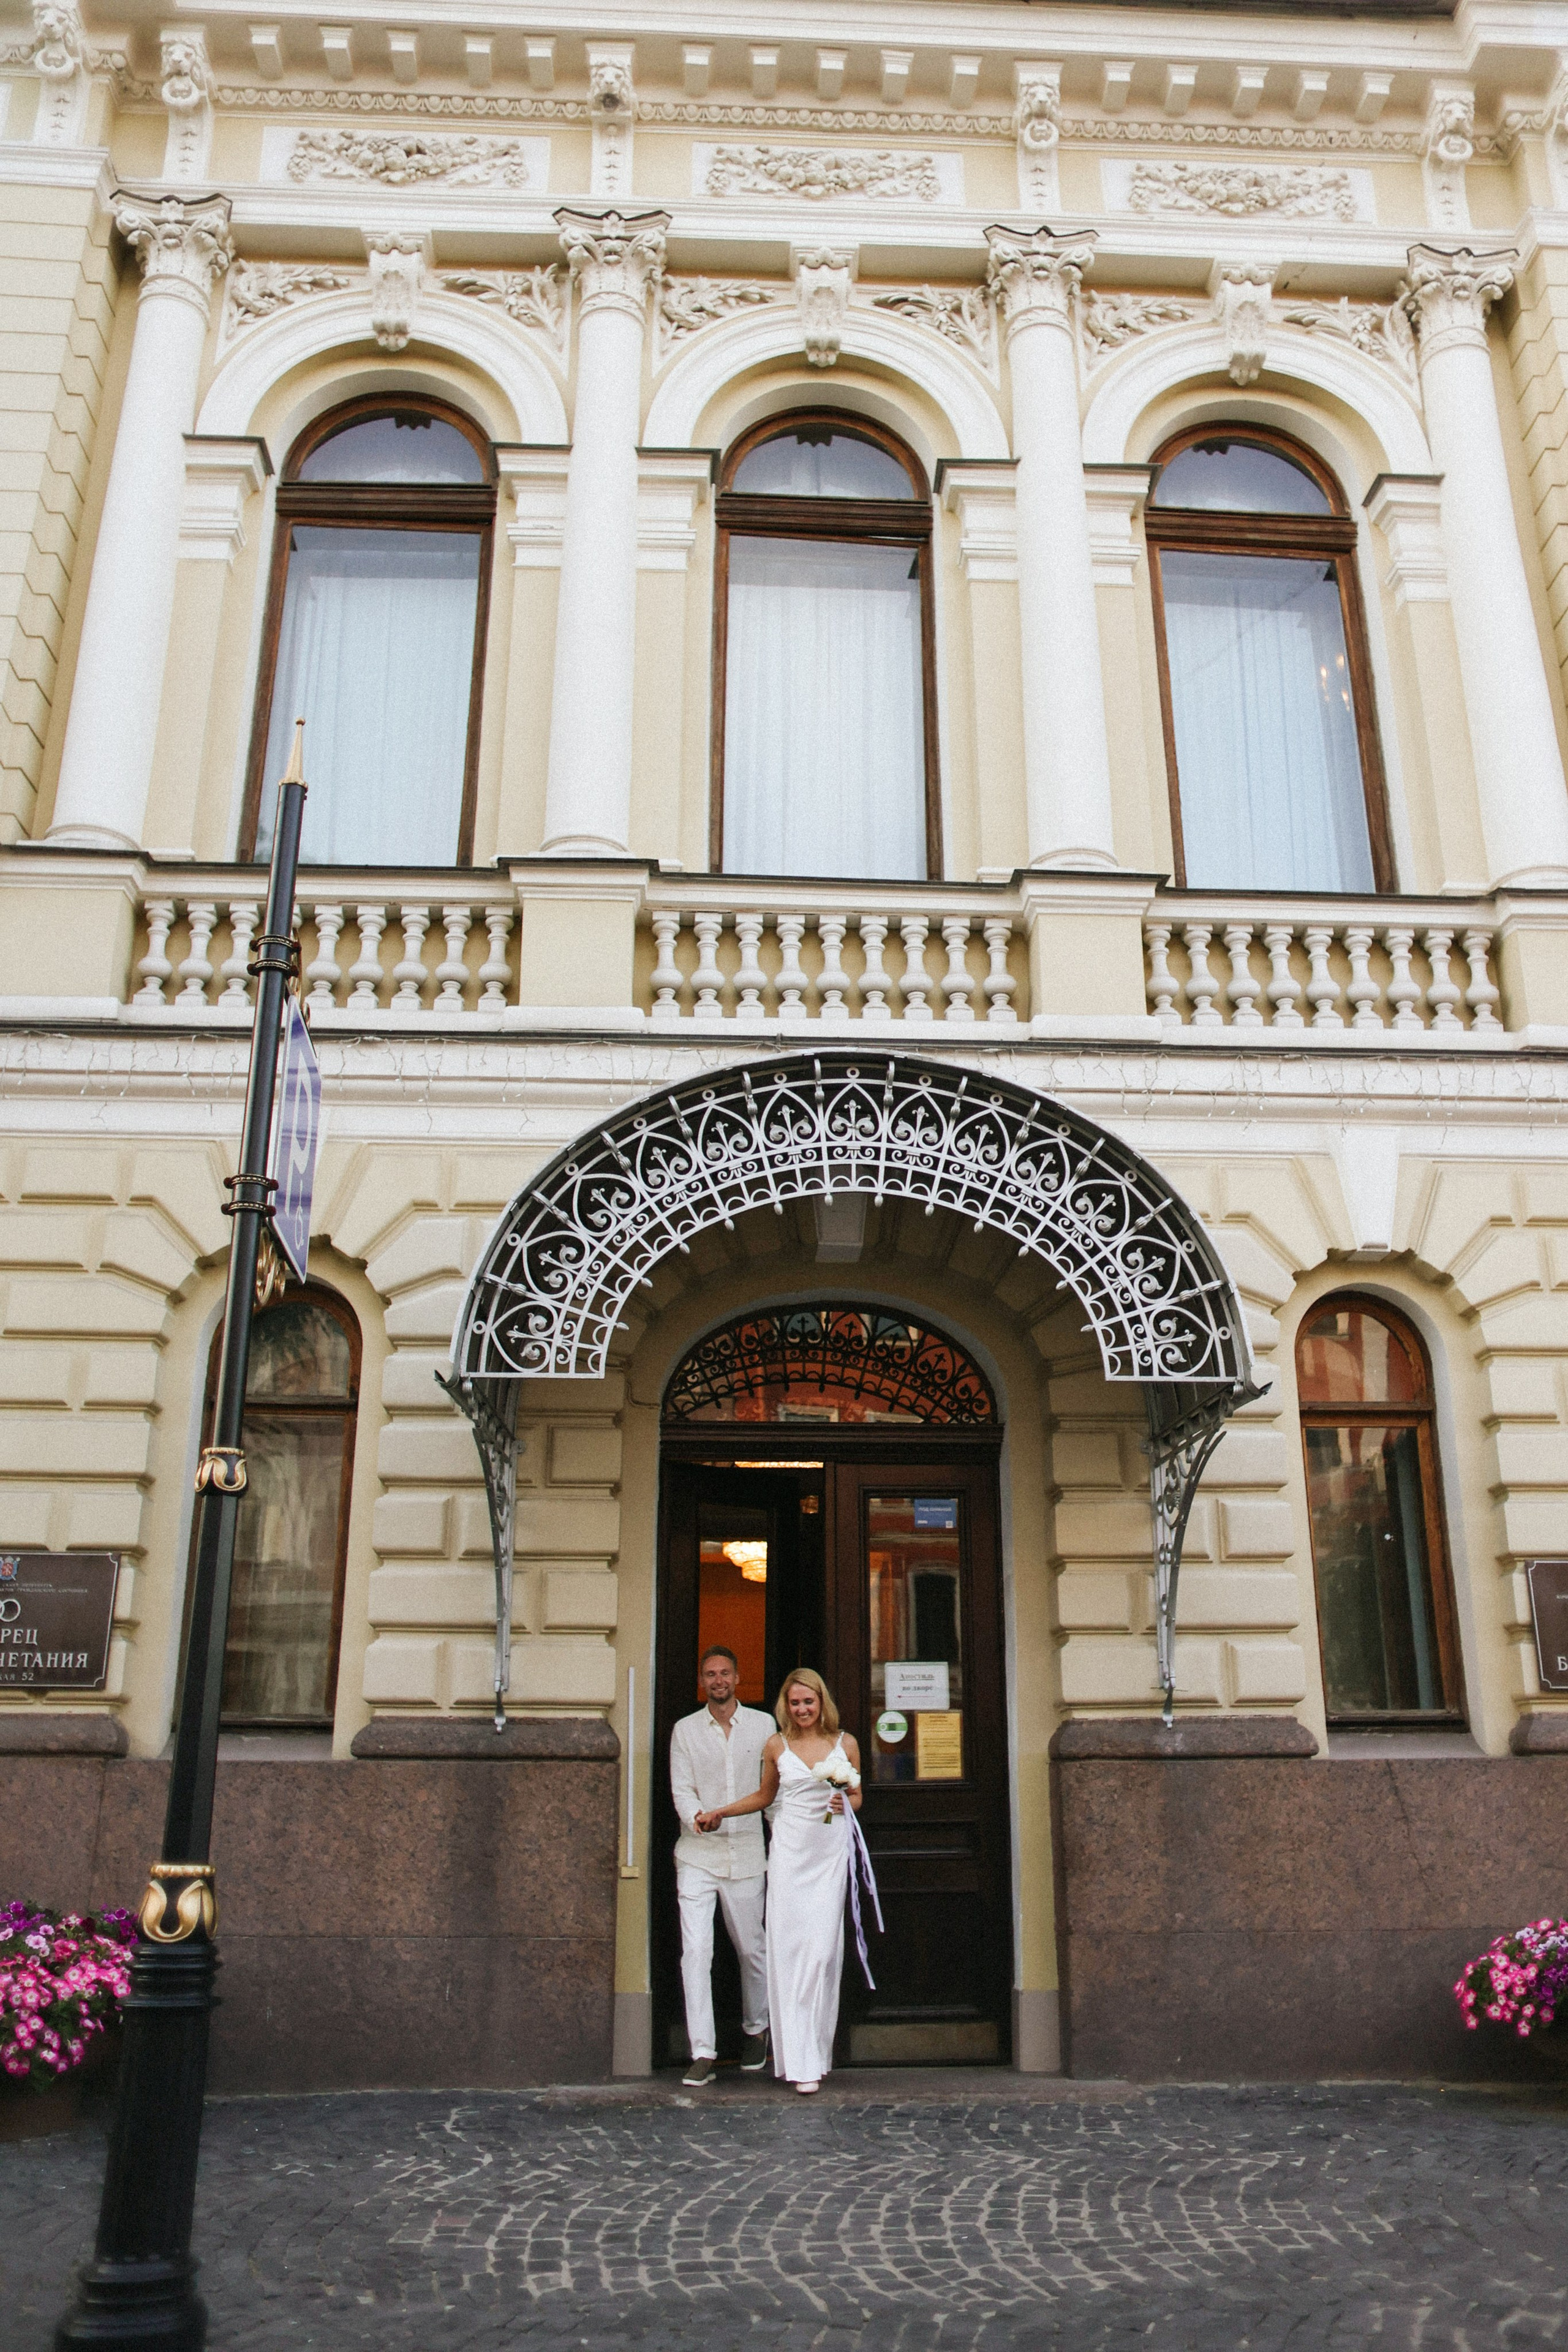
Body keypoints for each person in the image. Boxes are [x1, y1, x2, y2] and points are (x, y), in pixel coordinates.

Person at [696, 1667, 861, 2097]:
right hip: (789, 1855)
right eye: (795, 1702)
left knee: (821, 1953)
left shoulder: (845, 1743)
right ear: (786, 1707)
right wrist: (720, 1812)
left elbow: (857, 1795)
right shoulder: (776, 1745)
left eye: (809, 1701)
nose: (803, 1709)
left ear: (821, 1702)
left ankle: (815, 2054)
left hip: (827, 1854)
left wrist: (847, 1803)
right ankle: (800, 2062)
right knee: (789, 1954)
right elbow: (764, 1797)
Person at [669, 1643, 773, 2088]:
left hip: (747, 1853)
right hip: (698, 1854)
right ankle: (702, 2051)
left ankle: (756, 2030)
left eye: (725, 1673)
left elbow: (772, 1789)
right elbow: (682, 1789)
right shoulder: (685, 1731)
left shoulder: (764, 1726)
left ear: (737, 1678)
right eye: (710, 1674)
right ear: (702, 1681)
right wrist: (697, 1819)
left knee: (752, 1949)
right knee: (696, 1953)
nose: (718, 1681)